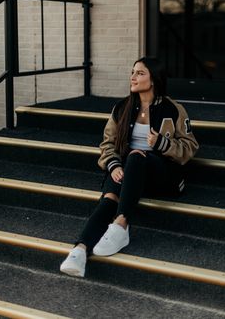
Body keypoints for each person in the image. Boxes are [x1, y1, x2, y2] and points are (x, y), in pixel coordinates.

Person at [60, 57, 199, 277]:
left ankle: (122, 223)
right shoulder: (122, 107)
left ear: (153, 79)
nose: (133, 77)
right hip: (128, 173)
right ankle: (80, 249)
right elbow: (107, 143)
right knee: (109, 198)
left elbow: (190, 147)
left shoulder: (174, 110)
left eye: (140, 73)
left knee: (135, 156)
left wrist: (163, 144)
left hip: (160, 173)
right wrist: (113, 165)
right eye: (132, 72)